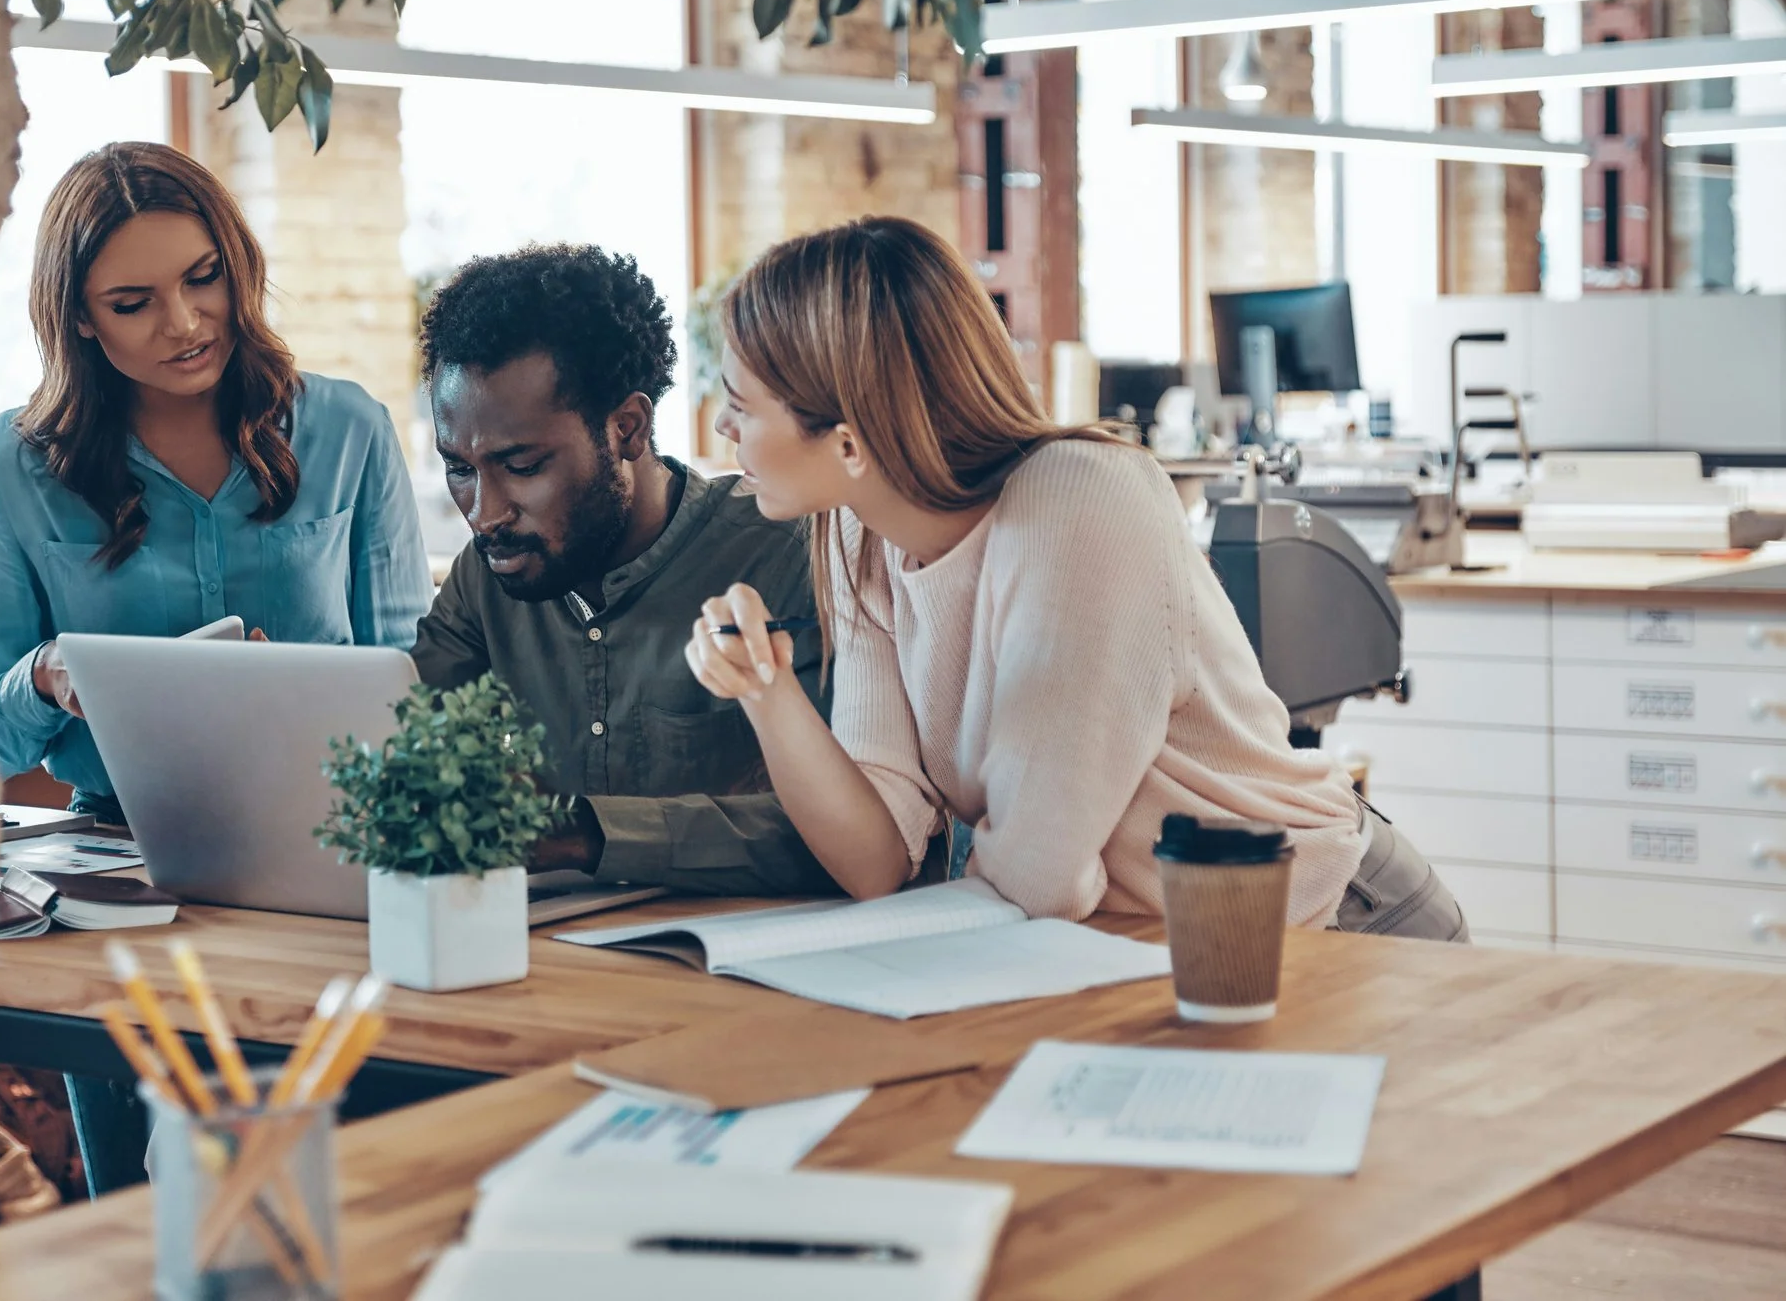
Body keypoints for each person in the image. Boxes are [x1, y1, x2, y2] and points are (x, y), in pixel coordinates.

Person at [687, 215, 1465, 940]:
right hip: (1129, 942)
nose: (722, 429)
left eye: (741, 405)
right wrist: (766, 691)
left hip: (1323, 923)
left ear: (850, 444)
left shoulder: (1078, 501)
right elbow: (876, 860)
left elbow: (1037, 879)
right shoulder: (857, 531)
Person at [0, 140, 427, 1191]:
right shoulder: (15, 464)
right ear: (78, 317)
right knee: (130, 1195)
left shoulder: (346, 429)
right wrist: (48, 677)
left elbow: (413, 675)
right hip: (112, 869)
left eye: (201, 278)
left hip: (324, 865)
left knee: (299, 1170)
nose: (184, 322)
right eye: (134, 301)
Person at [411, 245, 834, 897]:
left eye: (522, 466)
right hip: (549, 965)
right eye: (460, 469)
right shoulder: (486, 575)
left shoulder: (785, 554)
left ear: (626, 429)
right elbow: (397, 730)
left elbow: (841, 831)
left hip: (745, 968)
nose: (483, 514)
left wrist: (580, 834)